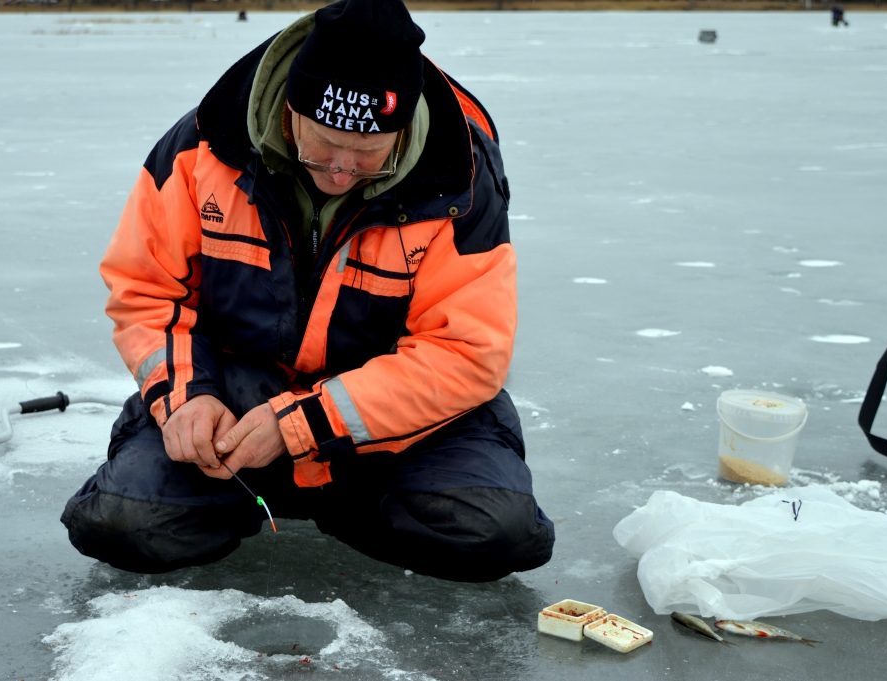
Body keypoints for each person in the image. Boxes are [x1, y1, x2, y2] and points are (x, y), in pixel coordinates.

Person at [61, 0, 554, 583]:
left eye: (370, 154)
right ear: (291, 107)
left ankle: (321, 492)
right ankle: (251, 482)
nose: (342, 170)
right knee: (122, 522)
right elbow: (148, 292)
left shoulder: (459, 180)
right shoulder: (201, 148)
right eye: (322, 145)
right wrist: (187, 400)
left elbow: (466, 353)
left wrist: (304, 429)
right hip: (234, 397)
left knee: (497, 533)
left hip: (389, 424)